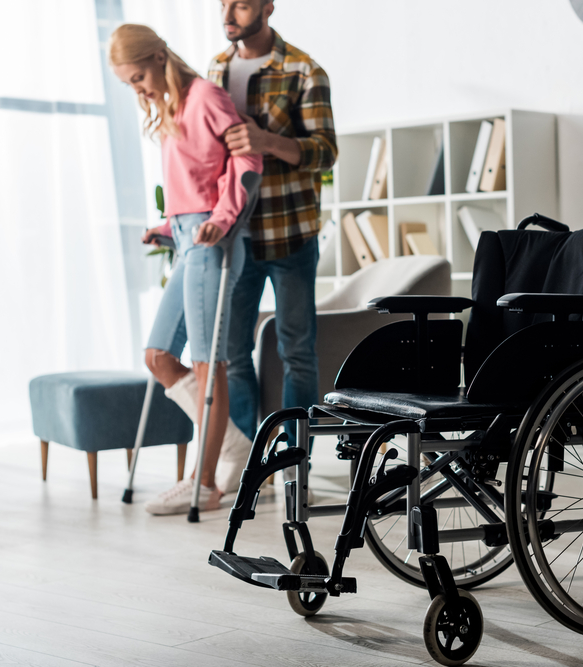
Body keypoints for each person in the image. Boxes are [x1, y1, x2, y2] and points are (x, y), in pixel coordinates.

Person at [109, 24, 262, 515]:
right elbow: (191, 181)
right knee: (158, 356)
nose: (138, 90)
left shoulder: (206, 97)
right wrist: (167, 228)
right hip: (186, 235)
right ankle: (233, 443)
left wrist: (219, 219)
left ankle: (205, 481)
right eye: (129, 83)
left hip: (212, 239)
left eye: (137, 78)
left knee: (207, 362)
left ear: (158, 57)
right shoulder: (175, 107)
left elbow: (247, 160)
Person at [209, 0, 338, 446]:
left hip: (291, 236)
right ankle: (250, 464)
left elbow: (325, 152)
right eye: (223, 4)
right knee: (232, 352)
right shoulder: (217, 69)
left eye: (240, 5)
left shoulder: (304, 70)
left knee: (296, 354)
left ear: (267, 7)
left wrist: (266, 141)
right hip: (236, 237)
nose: (228, 13)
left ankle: (293, 461)